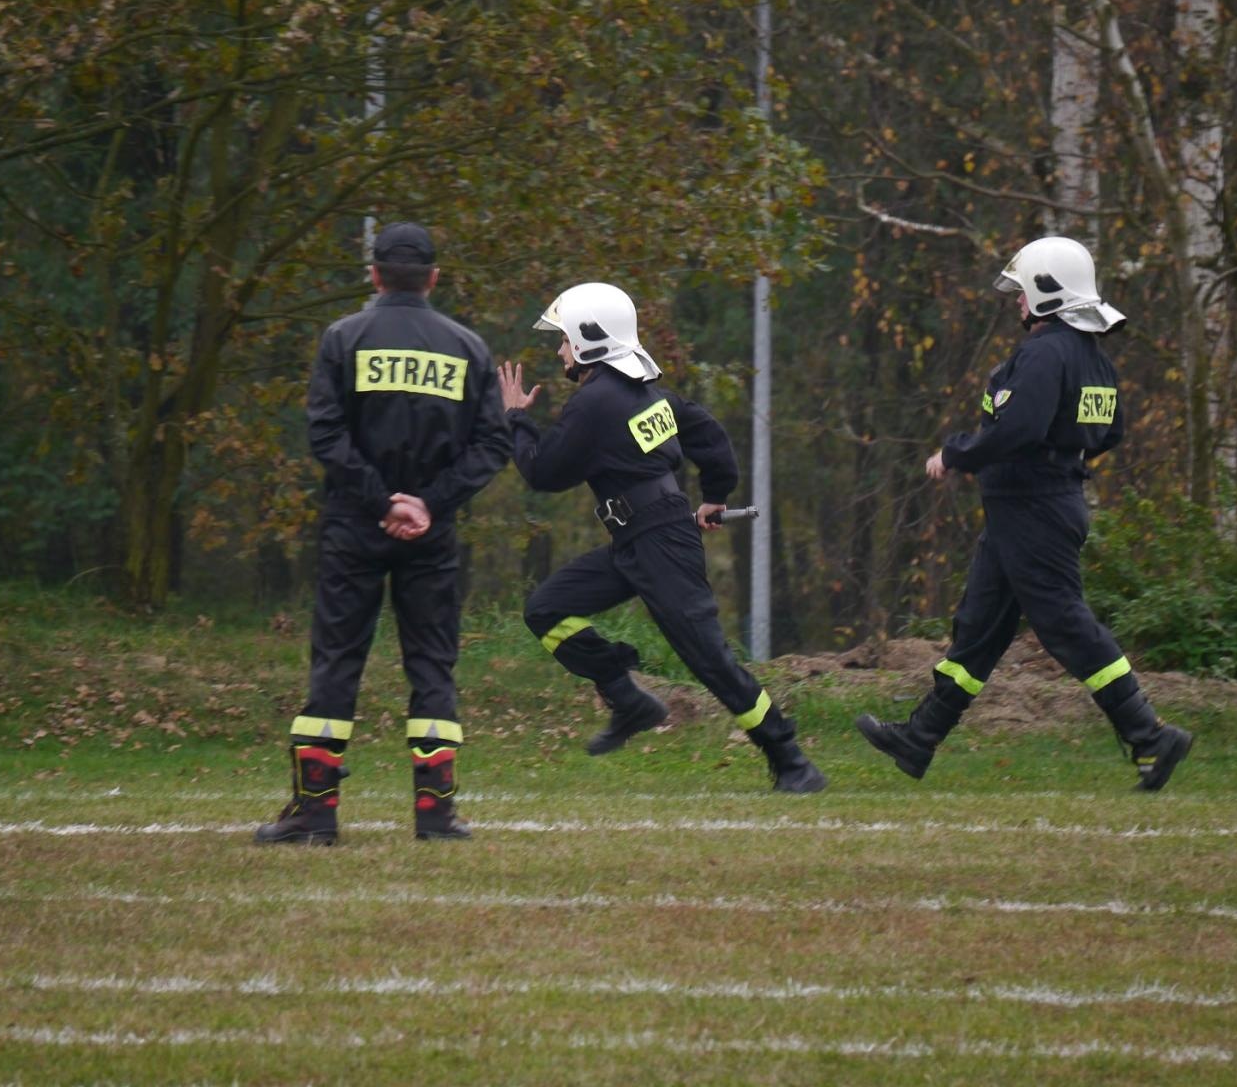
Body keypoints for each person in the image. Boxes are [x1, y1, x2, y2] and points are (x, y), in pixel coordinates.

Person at [855, 236, 1193, 791]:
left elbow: (1016, 429)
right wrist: (1059, 460)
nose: (1015, 302)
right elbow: (1111, 431)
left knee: (1064, 623)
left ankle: (1150, 735)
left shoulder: (1042, 354)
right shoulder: (1095, 358)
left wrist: (956, 454)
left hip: (1033, 511)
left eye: (1021, 292)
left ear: (1047, 291)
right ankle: (920, 738)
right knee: (979, 630)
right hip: (1036, 508)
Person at [499, 281, 826, 793]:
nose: (560, 349)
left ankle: (791, 761)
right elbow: (711, 438)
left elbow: (543, 473)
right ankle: (628, 699)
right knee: (546, 608)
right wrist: (714, 496)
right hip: (642, 538)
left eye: (563, 339)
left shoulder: (593, 403)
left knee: (708, 659)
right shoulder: (647, 392)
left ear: (589, 339)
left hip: (659, 543)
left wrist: (516, 419)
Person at [256, 222, 512, 844]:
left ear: (373, 275)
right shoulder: (468, 347)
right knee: (432, 667)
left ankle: (315, 815)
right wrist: (428, 504)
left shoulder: (343, 338)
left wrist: (381, 501)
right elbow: (493, 444)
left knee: (337, 663)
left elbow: (325, 435)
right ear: (433, 278)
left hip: (353, 526)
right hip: (433, 534)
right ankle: (437, 817)